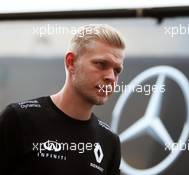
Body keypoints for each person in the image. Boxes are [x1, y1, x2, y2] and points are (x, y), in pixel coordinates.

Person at [0, 24, 125, 175]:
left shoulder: (109, 141)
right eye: (101, 64)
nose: (111, 77)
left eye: (117, 70)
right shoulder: (19, 118)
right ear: (71, 62)